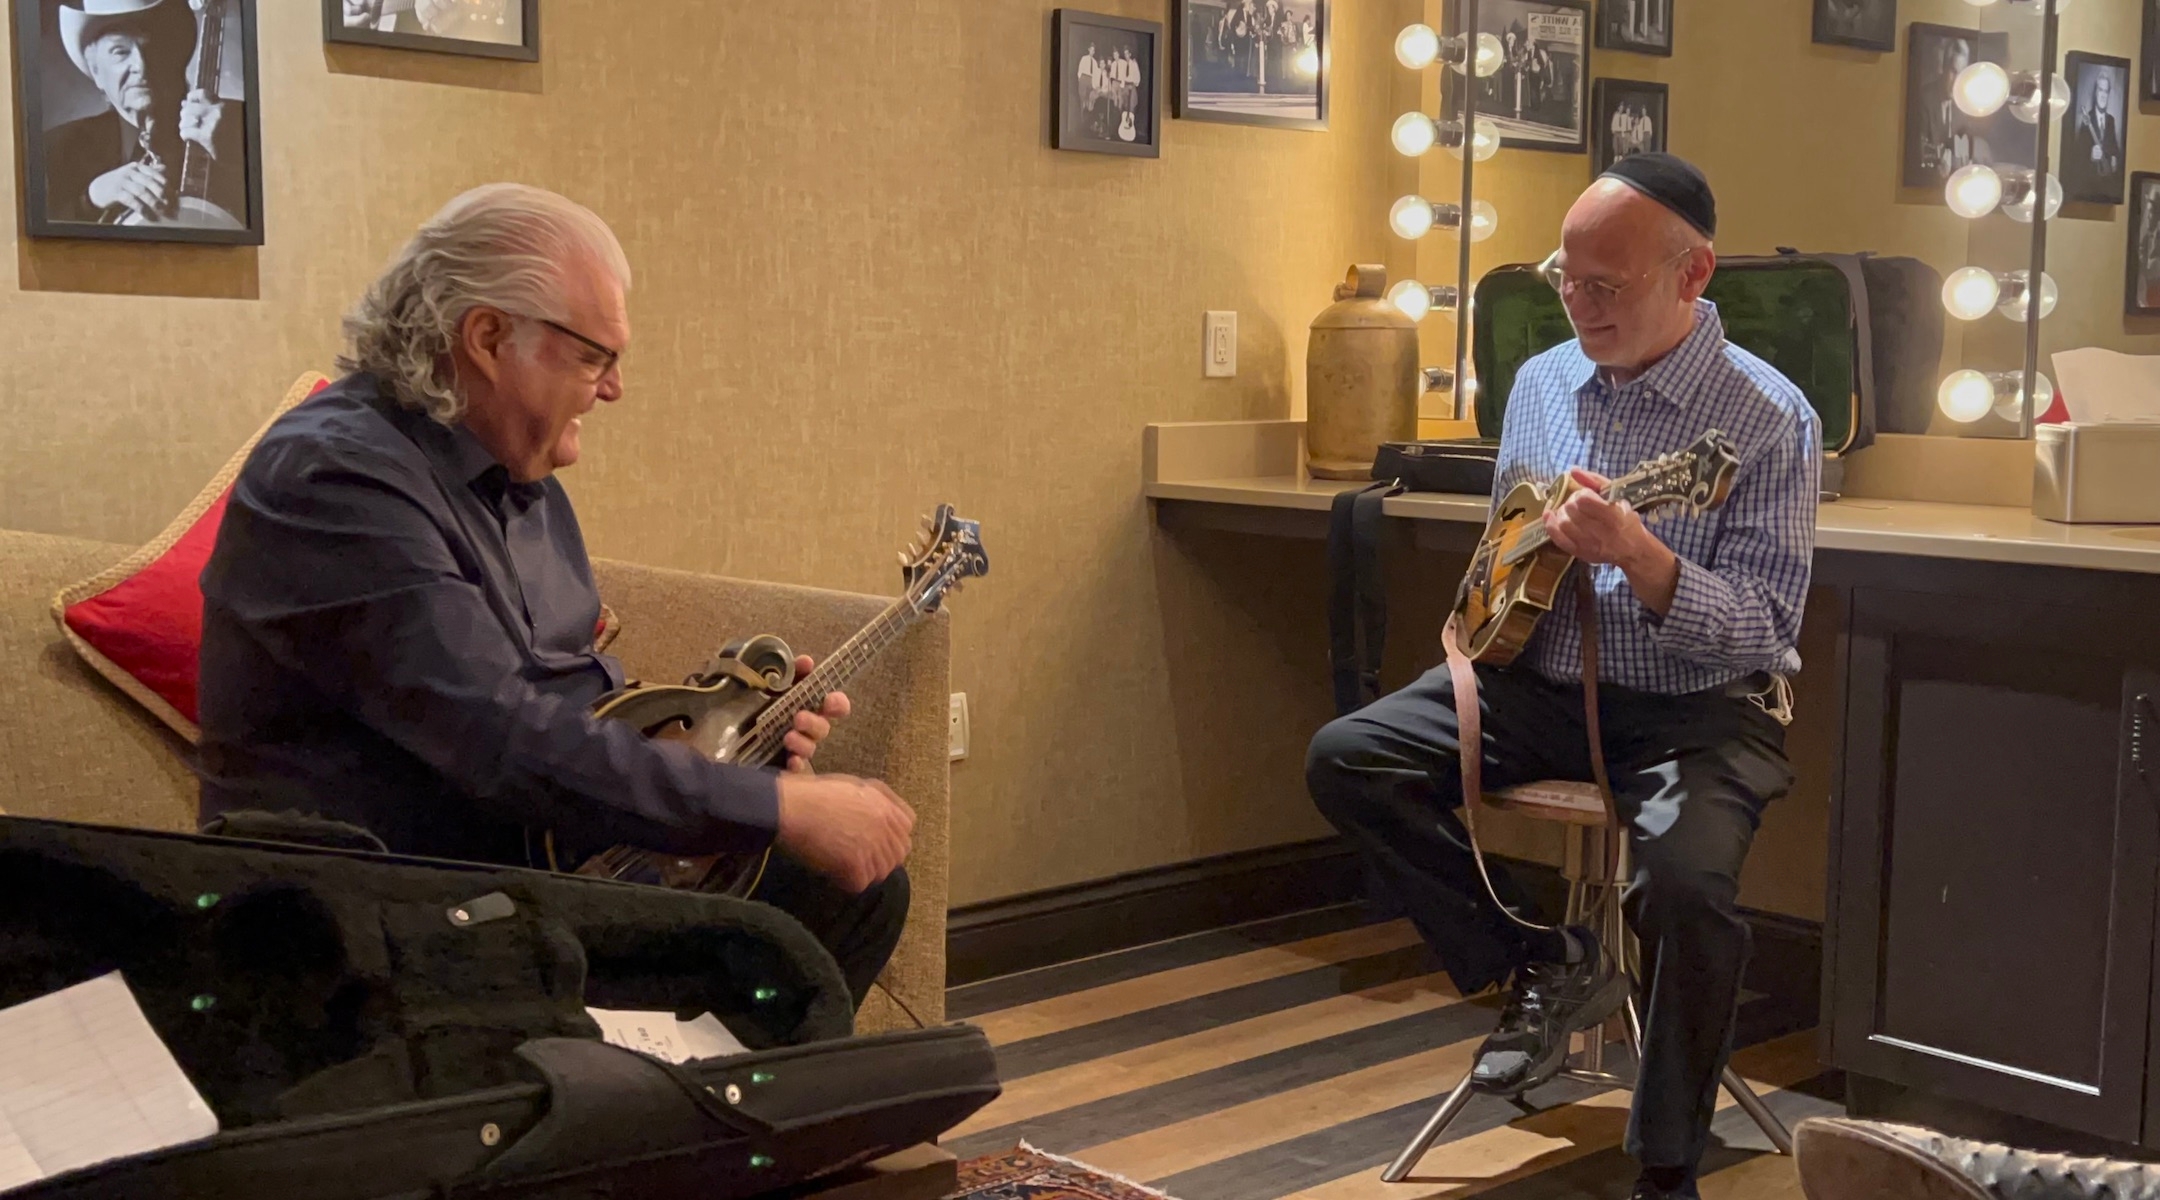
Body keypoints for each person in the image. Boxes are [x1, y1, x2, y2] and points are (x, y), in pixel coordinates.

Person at [196, 184, 918, 1011]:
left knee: (848, 890)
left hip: (520, 878)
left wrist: (721, 738)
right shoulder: (336, 478)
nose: (612, 389)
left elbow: (567, 700)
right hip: (377, 920)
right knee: (790, 886)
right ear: (489, 337)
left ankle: (694, 1120)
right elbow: (497, 735)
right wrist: (768, 803)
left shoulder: (516, 478)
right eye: (593, 357)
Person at [1307, 153, 1820, 1200]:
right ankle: (1543, 958)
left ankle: (1668, 1161)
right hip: (1534, 684)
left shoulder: (1768, 419)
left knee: (1684, 889)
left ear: (1692, 275)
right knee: (1347, 758)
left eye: (1607, 285)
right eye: (1565, 279)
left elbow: (1764, 628)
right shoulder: (1541, 383)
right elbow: (1503, 544)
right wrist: (1515, 575)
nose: (1579, 305)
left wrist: (1643, 555)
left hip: (1698, 712)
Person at [43, 0, 247, 227]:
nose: (140, 64)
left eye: (153, 47)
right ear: (96, 71)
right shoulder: (57, 149)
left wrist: (235, 157)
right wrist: (91, 199)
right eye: (120, 52)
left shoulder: (238, 126)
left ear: (177, 56)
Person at [2068, 69, 2125, 194]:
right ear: (2095, 92)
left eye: (2106, 91)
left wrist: (2115, 158)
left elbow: (2115, 148)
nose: (2103, 95)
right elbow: (2077, 157)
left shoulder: (2111, 121)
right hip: (2089, 186)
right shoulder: (2086, 120)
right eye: (2100, 90)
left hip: (2107, 185)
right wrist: (2090, 155)